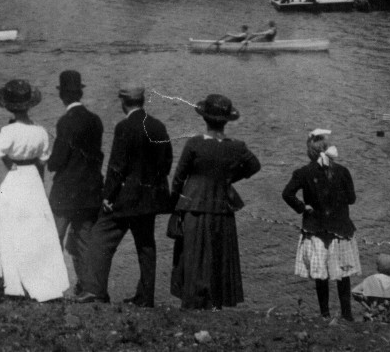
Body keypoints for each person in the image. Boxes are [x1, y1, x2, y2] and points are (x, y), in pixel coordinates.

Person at [77, 82, 173, 307]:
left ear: (123, 102)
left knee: (100, 238)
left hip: (125, 199)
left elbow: (117, 167)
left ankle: (96, 291)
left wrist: (108, 196)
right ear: (142, 101)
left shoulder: (124, 127)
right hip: (149, 199)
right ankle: (146, 297)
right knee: (146, 245)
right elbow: (166, 161)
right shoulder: (158, 126)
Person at [170, 94, 260, 309]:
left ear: (204, 119)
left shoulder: (194, 143)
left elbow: (178, 179)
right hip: (222, 206)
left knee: (192, 256)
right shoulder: (237, 146)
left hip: (193, 205)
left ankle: (193, 302)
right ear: (226, 121)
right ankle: (216, 303)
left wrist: (175, 207)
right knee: (219, 256)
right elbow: (254, 166)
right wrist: (228, 179)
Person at [0, 79, 69, 302]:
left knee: (12, 230)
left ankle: (16, 284)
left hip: (14, 178)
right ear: (29, 105)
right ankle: (42, 281)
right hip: (33, 180)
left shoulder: (8, 130)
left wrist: (8, 158)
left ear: (8, 106)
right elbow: (44, 158)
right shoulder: (40, 131)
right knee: (37, 230)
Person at [282, 129, 361, 321]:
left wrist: (303, 207)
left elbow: (287, 194)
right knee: (343, 273)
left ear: (310, 151)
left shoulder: (303, 172)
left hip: (316, 227)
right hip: (340, 227)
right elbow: (351, 199)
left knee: (321, 274)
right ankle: (347, 314)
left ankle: (324, 314)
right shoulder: (342, 171)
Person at [47, 70, 104, 296]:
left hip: (65, 192)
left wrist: (49, 162)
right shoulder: (95, 120)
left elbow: (57, 160)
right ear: (80, 93)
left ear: (62, 96)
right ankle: (90, 288)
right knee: (84, 242)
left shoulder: (65, 122)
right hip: (90, 192)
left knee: (55, 239)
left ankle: (52, 287)